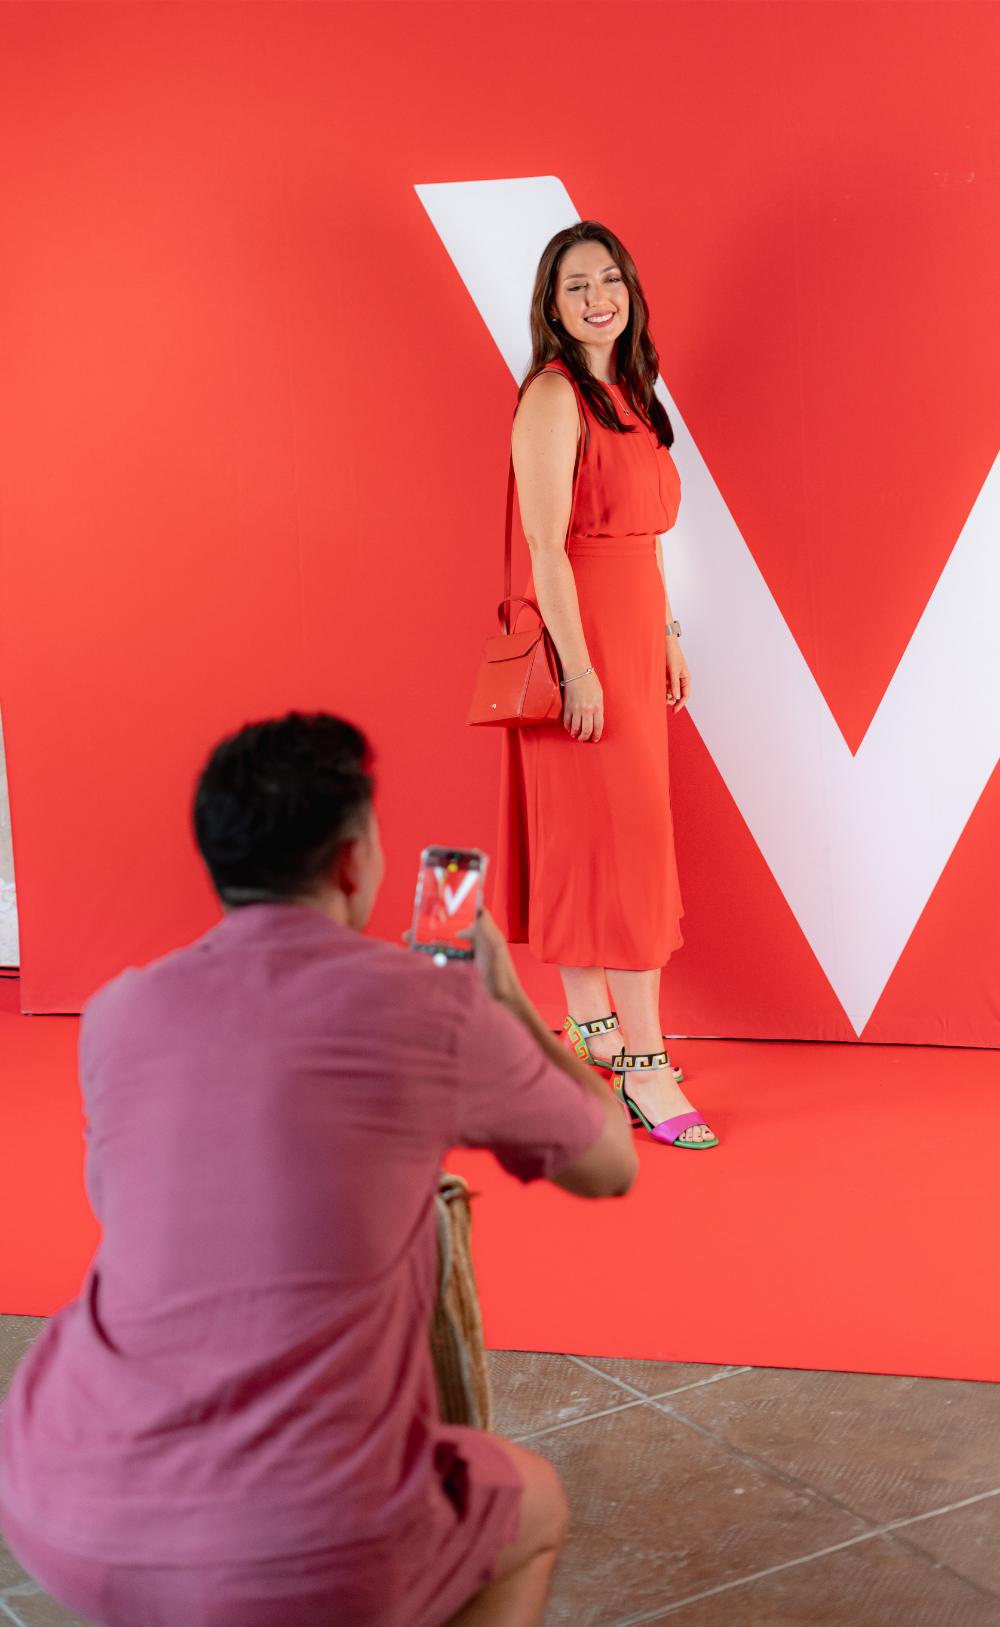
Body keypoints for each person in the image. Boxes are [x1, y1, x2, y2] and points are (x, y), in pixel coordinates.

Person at [0, 712, 637, 1627]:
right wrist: (502, 1000)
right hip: (302, 1547)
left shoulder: (118, 1012)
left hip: (62, 1500)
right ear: (350, 862)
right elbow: (609, 1163)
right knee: (531, 1503)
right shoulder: (428, 1008)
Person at [493, 220, 718, 1150]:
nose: (598, 297)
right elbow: (546, 547)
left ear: (630, 290)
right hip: (581, 648)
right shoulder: (553, 396)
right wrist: (580, 667)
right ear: (552, 304)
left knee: (604, 844)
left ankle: (596, 1032)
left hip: (630, 636)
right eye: (577, 284)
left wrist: (664, 632)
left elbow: (646, 537)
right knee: (617, 851)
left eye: (610, 279)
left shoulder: (631, 392)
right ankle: (645, 1063)